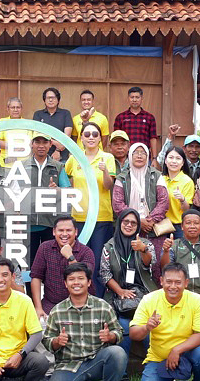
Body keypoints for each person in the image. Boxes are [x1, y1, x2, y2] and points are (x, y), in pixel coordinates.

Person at [42, 262, 126, 381]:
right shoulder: (57, 311)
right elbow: (47, 341)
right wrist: (57, 341)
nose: (76, 282)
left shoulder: (103, 306)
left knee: (117, 353)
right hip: (68, 364)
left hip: (96, 362)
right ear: (65, 283)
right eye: (71, 279)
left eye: (80, 278)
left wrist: (110, 336)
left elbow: (118, 332)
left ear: (88, 282)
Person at [129, 262, 200, 381]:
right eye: (169, 282)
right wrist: (147, 327)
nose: (173, 286)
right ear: (161, 281)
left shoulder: (196, 300)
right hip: (159, 357)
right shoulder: (149, 299)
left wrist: (177, 350)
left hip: (187, 353)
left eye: (178, 282)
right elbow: (133, 334)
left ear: (186, 283)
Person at [65, 120, 116, 295]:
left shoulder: (107, 158)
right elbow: (67, 180)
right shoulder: (74, 158)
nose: (91, 137)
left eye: (95, 134)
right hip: (78, 217)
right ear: (81, 138)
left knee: (97, 262)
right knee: (78, 261)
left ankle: (97, 297)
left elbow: (108, 186)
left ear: (100, 138)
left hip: (101, 217)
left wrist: (105, 171)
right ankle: (77, 296)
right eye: (87, 134)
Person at [100, 208, 157, 356]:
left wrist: (143, 250)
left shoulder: (146, 244)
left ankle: (154, 361)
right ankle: (122, 366)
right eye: (126, 221)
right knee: (123, 326)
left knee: (147, 326)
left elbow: (150, 264)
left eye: (133, 223)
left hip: (144, 295)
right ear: (119, 223)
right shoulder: (109, 246)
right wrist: (120, 291)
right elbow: (104, 274)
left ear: (138, 226)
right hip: (117, 296)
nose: (129, 225)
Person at [111, 142, 169, 275]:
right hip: (129, 228)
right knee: (130, 264)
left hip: (153, 229)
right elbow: (117, 204)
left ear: (148, 156)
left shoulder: (157, 175)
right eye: (135, 153)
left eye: (143, 153)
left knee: (155, 264)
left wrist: (150, 220)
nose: (139, 156)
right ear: (130, 155)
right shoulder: (122, 177)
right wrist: (137, 221)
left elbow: (164, 201)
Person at [30, 214, 95, 317]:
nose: (64, 234)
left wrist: (70, 257)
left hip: (82, 305)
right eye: (60, 230)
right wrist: (38, 307)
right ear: (54, 232)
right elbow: (36, 277)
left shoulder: (86, 251)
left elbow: (83, 276)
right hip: (51, 305)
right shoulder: (45, 248)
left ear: (76, 232)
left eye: (68, 230)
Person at [22, 133, 71, 256]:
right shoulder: (22, 166)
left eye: (44, 142)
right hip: (28, 223)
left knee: (50, 260)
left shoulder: (58, 166)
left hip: (50, 223)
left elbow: (69, 193)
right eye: (37, 142)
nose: (41, 146)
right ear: (31, 144)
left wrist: (58, 190)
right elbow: (13, 192)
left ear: (50, 144)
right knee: (30, 262)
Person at [161, 209, 200, 299]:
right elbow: (166, 270)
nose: (192, 226)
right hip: (180, 297)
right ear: (182, 226)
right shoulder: (172, 246)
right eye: (188, 223)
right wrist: (166, 251)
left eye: (196, 223)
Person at [159, 145, 196, 237]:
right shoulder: (160, 179)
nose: (174, 161)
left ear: (183, 162)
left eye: (178, 158)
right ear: (165, 161)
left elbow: (187, 209)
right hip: (161, 225)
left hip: (178, 227)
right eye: (171, 157)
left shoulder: (187, 181)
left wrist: (182, 199)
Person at [113, 86, 159, 157]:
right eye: (132, 97)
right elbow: (116, 138)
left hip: (144, 156)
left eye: (137, 97)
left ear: (142, 98)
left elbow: (153, 138)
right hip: (125, 156)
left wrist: (154, 158)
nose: (134, 100)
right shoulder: (120, 117)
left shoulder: (149, 117)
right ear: (128, 98)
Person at [32, 87, 73, 160]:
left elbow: (67, 135)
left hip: (62, 156)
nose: (50, 100)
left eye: (53, 98)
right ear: (44, 100)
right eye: (48, 98)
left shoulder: (65, 113)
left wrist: (57, 150)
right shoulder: (38, 114)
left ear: (58, 100)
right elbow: (37, 134)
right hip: (42, 156)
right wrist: (56, 143)